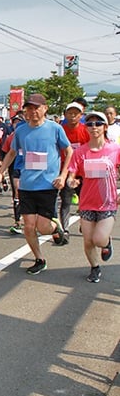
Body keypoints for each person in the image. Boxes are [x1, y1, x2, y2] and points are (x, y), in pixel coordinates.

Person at [0, 93, 72, 275]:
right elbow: (12, 153)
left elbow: (68, 151)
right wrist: (0, 172)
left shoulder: (55, 128)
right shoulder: (21, 130)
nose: (33, 111)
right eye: (29, 108)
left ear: (45, 108)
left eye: (36, 107)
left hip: (48, 185)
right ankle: (39, 259)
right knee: (28, 225)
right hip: (26, 185)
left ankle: (55, 227)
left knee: (43, 227)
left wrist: (63, 175)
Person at [67, 111, 120, 283]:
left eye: (98, 124)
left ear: (105, 127)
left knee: (98, 239)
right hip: (87, 203)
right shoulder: (81, 152)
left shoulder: (114, 149)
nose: (94, 127)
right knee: (88, 241)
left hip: (108, 203)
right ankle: (95, 267)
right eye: (90, 124)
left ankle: (106, 242)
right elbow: (72, 174)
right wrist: (71, 182)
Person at [58, 101, 90, 245]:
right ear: (65, 115)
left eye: (75, 114)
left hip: (83, 172)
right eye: (70, 113)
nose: (72, 116)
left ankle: (84, 222)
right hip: (65, 170)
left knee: (85, 200)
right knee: (66, 201)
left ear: (81, 115)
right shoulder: (60, 130)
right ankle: (65, 230)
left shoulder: (86, 130)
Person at [1, 113, 25, 233]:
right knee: (17, 193)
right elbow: (6, 152)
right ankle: (18, 222)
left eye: (19, 122)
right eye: (15, 122)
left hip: (32, 169)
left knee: (30, 194)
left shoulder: (34, 134)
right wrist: (1, 171)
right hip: (15, 167)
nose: (17, 125)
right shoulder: (12, 137)